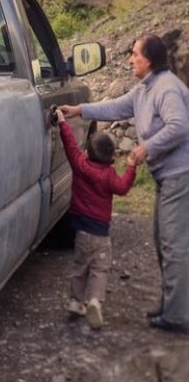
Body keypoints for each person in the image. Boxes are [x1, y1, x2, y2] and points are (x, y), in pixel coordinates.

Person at [58, 33, 189, 334]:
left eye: (135, 54)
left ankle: (179, 314)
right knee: (162, 240)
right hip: (166, 177)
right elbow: (116, 107)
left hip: (179, 176)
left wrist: (146, 148)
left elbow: (179, 126)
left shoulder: (166, 88)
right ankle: (173, 306)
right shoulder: (145, 88)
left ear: (150, 59)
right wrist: (79, 110)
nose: (130, 59)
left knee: (173, 244)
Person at [55, 109, 137, 329]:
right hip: (101, 234)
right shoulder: (109, 175)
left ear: (89, 152)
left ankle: (75, 301)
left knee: (80, 266)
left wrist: (62, 122)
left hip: (81, 232)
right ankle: (93, 301)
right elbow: (122, 188)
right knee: (100, 269)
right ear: (110, 156)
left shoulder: (81, 166)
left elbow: (71, 146)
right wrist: (131, 167)